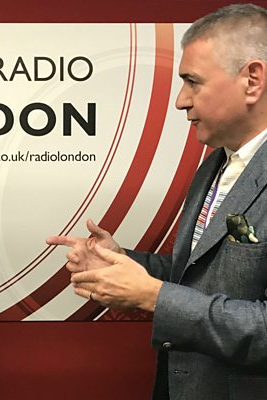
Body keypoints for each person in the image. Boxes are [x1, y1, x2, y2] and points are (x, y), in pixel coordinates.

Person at [47, 3, 267, 400]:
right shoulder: (215, 164)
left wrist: (153, 297)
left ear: (252, 80)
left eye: (193, 82)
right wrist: (125, 262)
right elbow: (198, 274)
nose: (181, 101)